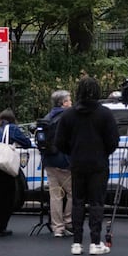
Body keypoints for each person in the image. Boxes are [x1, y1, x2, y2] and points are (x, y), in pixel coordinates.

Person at [55, 76, 119, 256]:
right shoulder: (105, 114)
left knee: (78, 202)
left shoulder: (68, 115)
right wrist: (103, 152)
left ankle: (77, 242)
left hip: (77, 163)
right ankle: (95, 241)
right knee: (97, 202)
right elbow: (113, 140)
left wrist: (72, 152)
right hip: (98, 163)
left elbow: (59, 142)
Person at [0, 109, 31, 237]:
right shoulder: (12, 128)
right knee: (8, 197)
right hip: (4, 165)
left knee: (2, 196)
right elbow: (26, 143)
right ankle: (0, 227)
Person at [41, 90, 74, 238]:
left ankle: (57, 228)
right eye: (69, 100)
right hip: (64, 160)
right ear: (63, 103)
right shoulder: (67, 117)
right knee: (74, 192)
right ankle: (68, 221)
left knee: (55, 195)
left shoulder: (48, 117)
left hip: (49, 160)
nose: (71, 102)